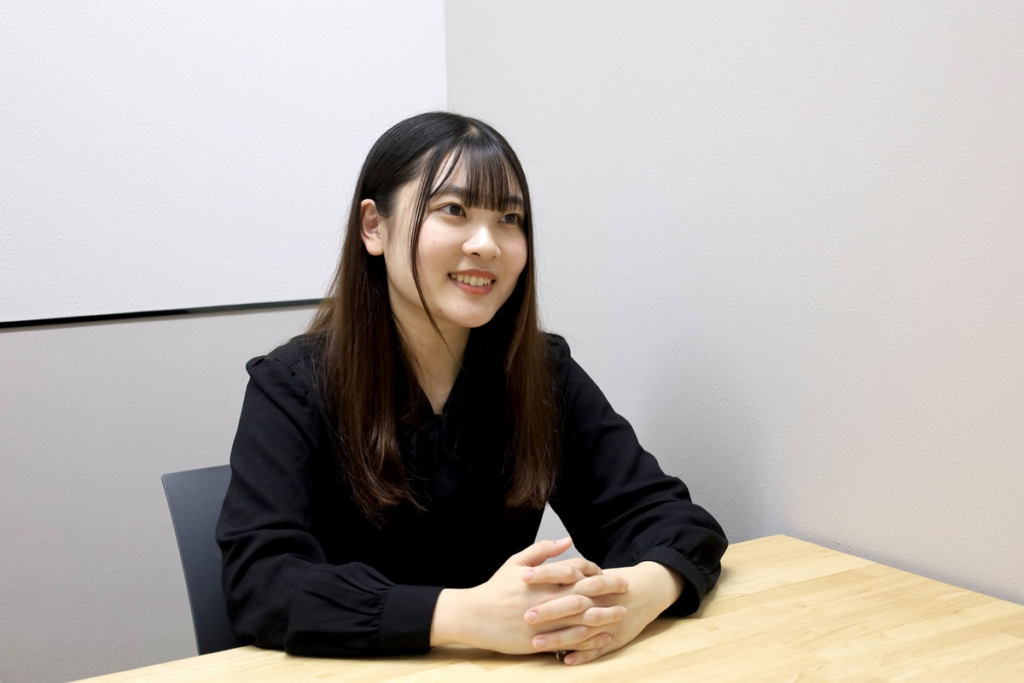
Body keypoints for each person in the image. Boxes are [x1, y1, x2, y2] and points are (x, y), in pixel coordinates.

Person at [216, 112, 727, 667]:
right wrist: (462, 615)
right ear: (374, 227)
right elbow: (262, 583)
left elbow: (665, 517)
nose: (487, 245)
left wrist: (638, 596)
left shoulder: (540, 372)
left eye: (510, 218)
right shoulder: (292, 384)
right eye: (453, 211)